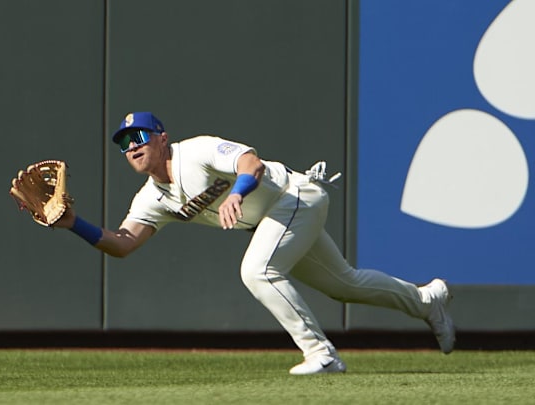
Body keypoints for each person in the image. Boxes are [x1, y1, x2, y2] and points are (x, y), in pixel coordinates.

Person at [52, 111, 455, 375]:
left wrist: (237, 193)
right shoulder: (151, 198)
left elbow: (252, 163)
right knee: (344, 284)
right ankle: (425, 301)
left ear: (161, 137)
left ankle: (321, 353)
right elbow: (123, 244)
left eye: (138, 135)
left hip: (294, 196)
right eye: (124, 143)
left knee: (257, 271)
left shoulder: (194, 151)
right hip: (274, 219)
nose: (132, 146)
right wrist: (74, 224)